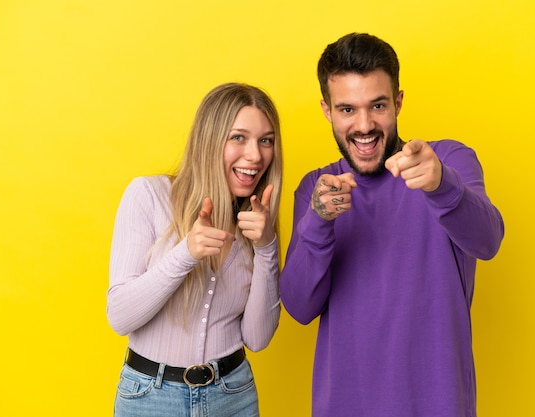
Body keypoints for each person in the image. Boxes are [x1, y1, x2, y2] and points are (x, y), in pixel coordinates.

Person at [279, 33, 505, 417]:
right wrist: (318, 222)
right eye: (347, 109)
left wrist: (441, 185)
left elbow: (488, 241)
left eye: (378, 105)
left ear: (398, 101)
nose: (364, 125)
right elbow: (299, 307)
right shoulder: (317, 190)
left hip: (440, 405)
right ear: (327, 110)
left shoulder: (447, 161)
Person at [107, 82, 283, 417]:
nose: (255, 155)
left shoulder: (257, 221)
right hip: (150, 398)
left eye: (266, 141)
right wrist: (185, 253)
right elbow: (120, 316)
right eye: (238, 137)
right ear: (209, 140)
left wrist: (267, 247)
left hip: (234, 396)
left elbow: (258, 339)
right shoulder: (149, 196)